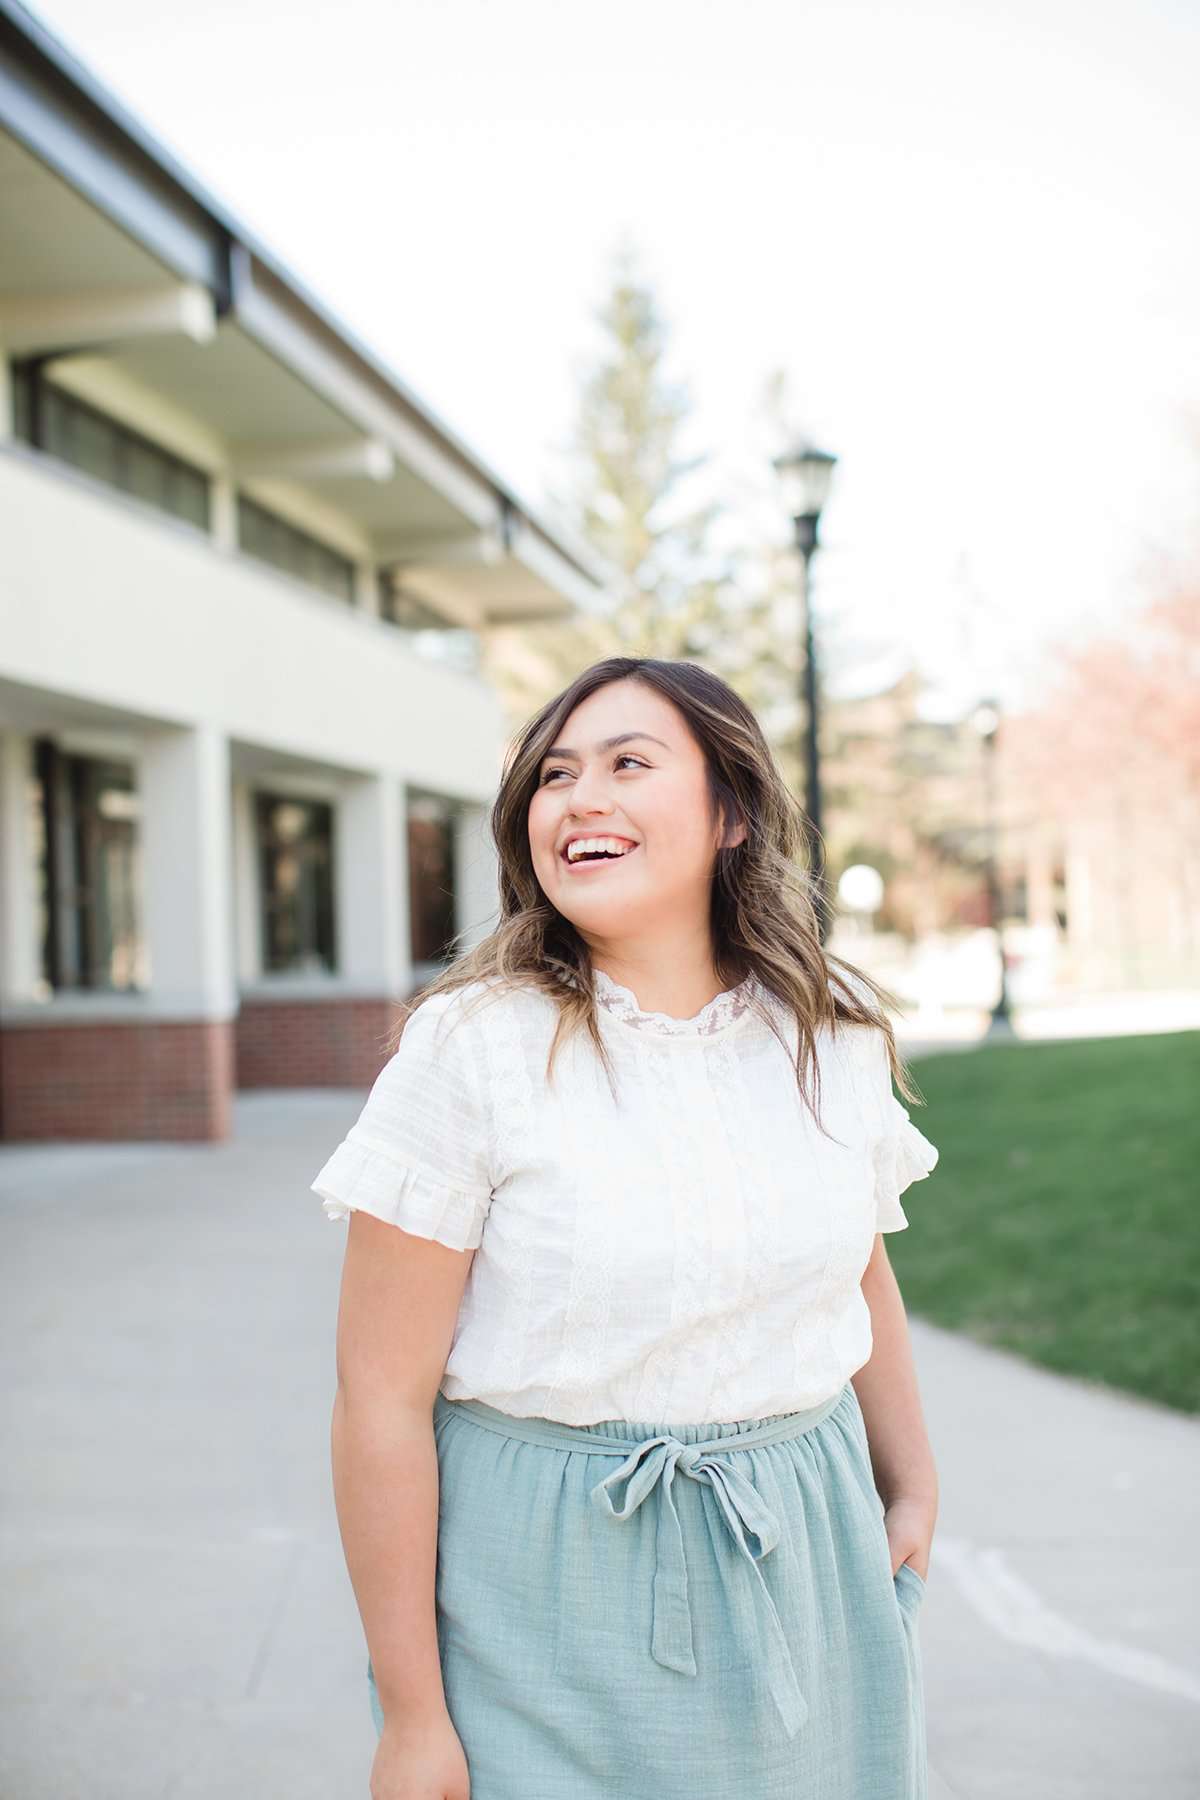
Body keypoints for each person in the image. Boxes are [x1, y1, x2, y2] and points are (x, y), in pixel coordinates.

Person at [311, 655, 940, 1800]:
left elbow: (859, 1273)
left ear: (731, 812)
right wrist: (411, 1716)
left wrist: (912, 1485)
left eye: (628, 764)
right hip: (540, 1583)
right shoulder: (472, 1050)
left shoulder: (826, 1036)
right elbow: (378, 1400)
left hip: (809, 1554)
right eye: (554, 775)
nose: (579, 797)